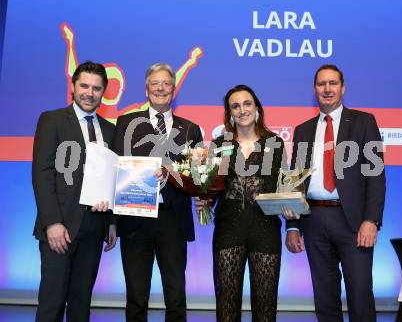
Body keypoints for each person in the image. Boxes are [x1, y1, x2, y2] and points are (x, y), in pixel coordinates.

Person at [285, 64, 386, 322]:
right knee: (325, 296)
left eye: (332, 83)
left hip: (353, 222)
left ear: (343, 87)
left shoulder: (364, 122)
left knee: (360, 293)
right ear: (314, 89)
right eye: (321, 84)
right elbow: (296, 181)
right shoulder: (303, 130)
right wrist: (293, 226)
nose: (327, 89)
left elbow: (376, 176)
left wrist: (371, 220)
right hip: (314, 221)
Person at [111, 63, 203, 322]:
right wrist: (112, 222)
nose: (161, 88)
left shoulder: (190, 129)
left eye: (166, 83)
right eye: (155, 83)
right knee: (136, 297)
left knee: (176, 297)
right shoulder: (126, 123)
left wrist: (175, 176)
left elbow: (196, 176)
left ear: (174, 89)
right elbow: (117, 170)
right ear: (146, 89)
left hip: (173, 220)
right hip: (134, 219)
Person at [32, 60, 117, 322]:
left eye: (96, 88)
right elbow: (42, 173)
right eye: (84, 86)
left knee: (81, 304)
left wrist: (112, 222)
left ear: (104, 92)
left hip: (94, 227)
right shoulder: (53, 120)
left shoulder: (111, 130)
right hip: (60, 228)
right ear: (73, 85)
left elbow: (112, 178)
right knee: (52, 303)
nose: (89, 93)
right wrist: (53, 223)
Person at [198, 84, 286, 322]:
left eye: (247, 104)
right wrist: (203, 199)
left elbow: (280, 187)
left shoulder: (274, 144)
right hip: (229, 229)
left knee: (265, 309)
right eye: (235, 106)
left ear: (257, 107)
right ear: (229, 113)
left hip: (265, 229)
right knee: (226, 307)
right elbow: (214, 187)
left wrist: (290, 206)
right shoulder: (220, 145)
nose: (242, 110)